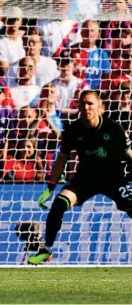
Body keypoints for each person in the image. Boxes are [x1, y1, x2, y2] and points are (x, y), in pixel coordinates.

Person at [28, 90, 132, 265]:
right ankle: (46, 250)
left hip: (114, 177)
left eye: (90, 103)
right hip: (86, 178)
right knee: (59, 204)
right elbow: (62, 157)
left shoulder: (114, 128)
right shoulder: (73, 129)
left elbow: (129, 154)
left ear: (100, 107)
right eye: (83, 104)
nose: (86, 107)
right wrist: (51, 187)